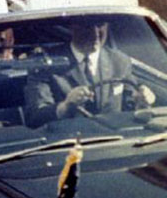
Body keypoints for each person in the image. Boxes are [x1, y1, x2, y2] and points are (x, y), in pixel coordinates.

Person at [24, 21, 155, 127]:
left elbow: (129, 106)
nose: (95, 33)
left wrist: (142, 103)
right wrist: (66, 106)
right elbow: (35, 117)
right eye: (87, 26)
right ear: (71, 26)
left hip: (112, 143)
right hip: (66, 146)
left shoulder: (119, 61)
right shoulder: (46, 64)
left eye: (100, 25)